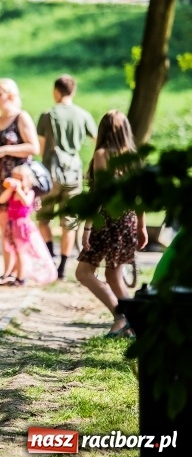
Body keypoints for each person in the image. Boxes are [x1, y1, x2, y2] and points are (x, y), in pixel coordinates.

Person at [75, 110, 148, 338]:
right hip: (127, 220)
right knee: (108, 275)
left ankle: (124, 319)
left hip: (106, 220)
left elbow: (100, 193)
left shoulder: (102, 154)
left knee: (87, 272)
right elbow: (140, 197)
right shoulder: (133, 157)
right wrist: (140, 225)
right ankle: (128, 322)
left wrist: (87, 226)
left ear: (103, 130)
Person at [36, 74, 97, 280]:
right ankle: (63, 266)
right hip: (73, 174)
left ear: (56, 91)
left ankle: (50, 256)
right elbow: (98, 139)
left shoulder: (48, 115)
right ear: (73, 91)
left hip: (51, 173)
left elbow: (41, 147)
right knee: (69, 222)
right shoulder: (83, 115)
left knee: (43, 218)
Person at [0, 78, 40, 286]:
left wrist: (5, 150)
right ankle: (8, 271)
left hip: (17, 182)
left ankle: (17, 272)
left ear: (11, 95)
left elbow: (34, 147)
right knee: (4, 227)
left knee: (16, 227)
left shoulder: (21, 118)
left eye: (0, 93)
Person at [0, 165, 58, 286]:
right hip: (12, 225)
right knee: (15, 251)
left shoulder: (29, 192)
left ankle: (20, 277)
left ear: (28, 180)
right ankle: (16, 275)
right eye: (15, 178)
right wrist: (10, 189)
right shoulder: (12, 193)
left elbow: (26, 202)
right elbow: (1, 200)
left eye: (20, 179)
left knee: (21, 252)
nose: (17, 181)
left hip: (22, 226)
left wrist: (19, 189)